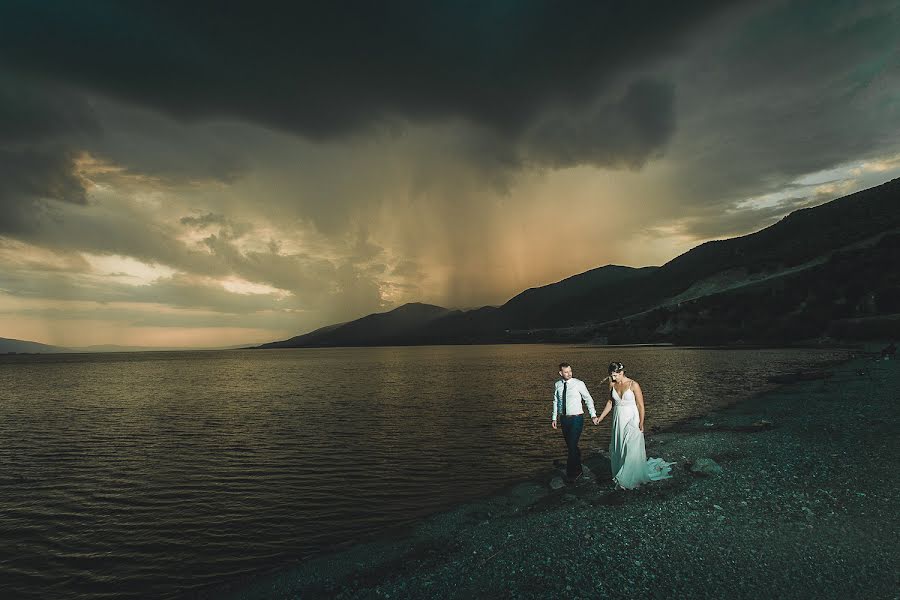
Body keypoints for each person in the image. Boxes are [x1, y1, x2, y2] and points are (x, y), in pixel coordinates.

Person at [595, 362, 674, 490]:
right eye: (611, 375)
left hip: (632, 417)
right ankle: (622, 469)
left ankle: (629, 475)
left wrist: (641, 422)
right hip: (618, 418)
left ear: (622, 372)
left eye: (615, 375)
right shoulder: (612, 384)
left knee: (631, 444)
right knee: (621, 445)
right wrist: (601, 417)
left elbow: (641, 405)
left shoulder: (633, 385)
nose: (613, 378)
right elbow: (610, 402)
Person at [551, 362, 600, 482]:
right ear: (560, 373)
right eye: (566, 372)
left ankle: (572, 473)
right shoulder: (557, 384)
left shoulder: (579, 384)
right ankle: (579, 467)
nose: (569, 374)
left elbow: (588, 399)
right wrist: (554, 417)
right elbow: (556, 401)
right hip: (564, 419)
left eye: (570, 371)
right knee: (571, 446)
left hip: (577, 418)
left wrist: (593, 415)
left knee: (572, 446)